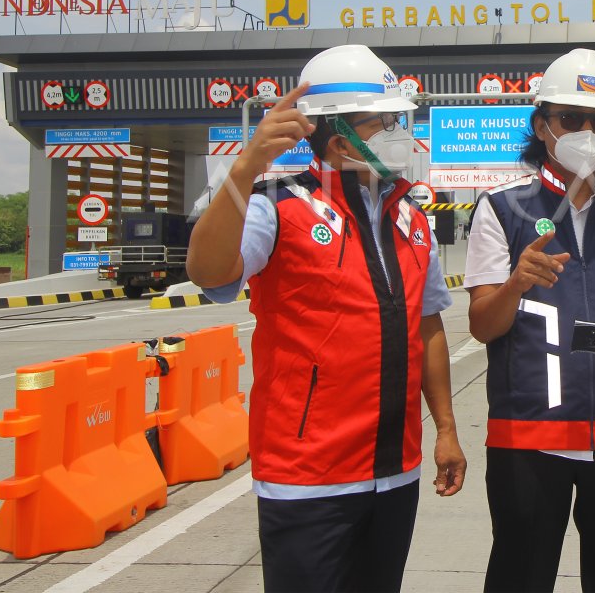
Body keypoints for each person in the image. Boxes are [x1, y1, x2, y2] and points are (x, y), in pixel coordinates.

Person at [186, 45, 466, 593]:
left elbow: (427, 326)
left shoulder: (412, 217)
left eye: (398, 119)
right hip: (307, 479)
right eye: (384, 122)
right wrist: (244, 168)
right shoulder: (276, 207)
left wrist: (447, 432)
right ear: (339, 139)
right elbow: (210, 275)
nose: (398, 131)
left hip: (396, 471)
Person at [465, 48, 595, 593]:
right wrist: (515, 283)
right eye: (571, 119)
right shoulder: (502, 210)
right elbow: (482, 324)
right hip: (528, 441)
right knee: (519, 578)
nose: (587, 131)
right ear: (541, 125)